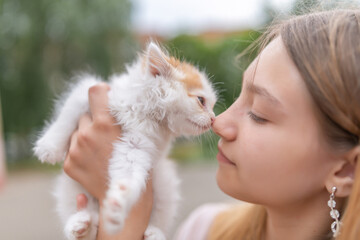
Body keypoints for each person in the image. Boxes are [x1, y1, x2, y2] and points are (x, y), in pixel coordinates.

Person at [63, 8, 360, 240]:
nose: (220, 123)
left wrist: (129, 210)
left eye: (258, 113)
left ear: (344, 169)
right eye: (238, 97)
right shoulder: (202, 229)